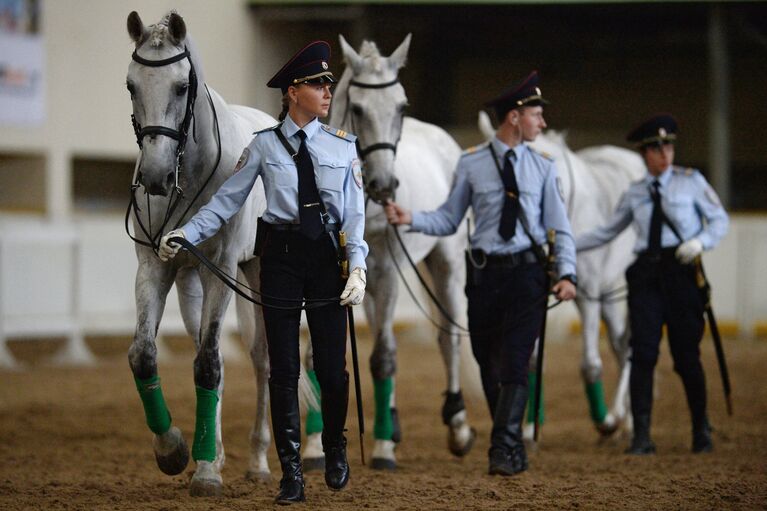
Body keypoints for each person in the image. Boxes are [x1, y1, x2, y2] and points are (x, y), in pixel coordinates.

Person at [158, 41, 368, 504]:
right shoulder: (263, 147)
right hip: (282, 261)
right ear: (293, 92)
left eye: (328, 83)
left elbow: (354, 217)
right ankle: (290, 469)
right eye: (317, 84)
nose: (327, 91)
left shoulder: (342, 147)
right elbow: (227, 202)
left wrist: (358, 267)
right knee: (283, 368)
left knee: (333, 372)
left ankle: (335, 444)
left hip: (328, 264)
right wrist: (186, 232)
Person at [384, 71, 577, 476]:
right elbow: (449, 218)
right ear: (514, 117)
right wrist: (411, 217)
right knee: (486, 362)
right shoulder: (471, 164)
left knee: (515, 362)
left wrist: (567, 274)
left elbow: (560, 226)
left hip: (527, 275)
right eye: (536, 116)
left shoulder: (543, 167)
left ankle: (502, 448)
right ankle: (511, 446)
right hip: (485, 278)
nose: (541, 124)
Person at [576, 114, 729, 455]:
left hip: (682, 272)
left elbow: (719, 220)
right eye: (657, 148)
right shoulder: (635, 193)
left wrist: (701, 242)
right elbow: (608, 231)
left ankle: (700, 427)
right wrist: (567, 246)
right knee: (641, 354)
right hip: (646, 275)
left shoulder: (692, 182)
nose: (665, 154)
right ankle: (642, 434)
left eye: (669, 146)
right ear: (645, 154)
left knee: (686, 356)